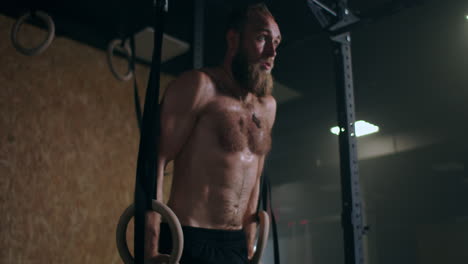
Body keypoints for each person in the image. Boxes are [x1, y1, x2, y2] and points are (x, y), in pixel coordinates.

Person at [145, 3, 281, 263]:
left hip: (235, 245)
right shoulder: (200, 87)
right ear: (233, 39)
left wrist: (249, 242)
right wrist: (149, 248)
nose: (272, 52)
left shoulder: (268, 107)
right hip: (189, 239)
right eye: (262, 38)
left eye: (276, 42)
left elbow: (256, 177)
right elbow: (155, 163)